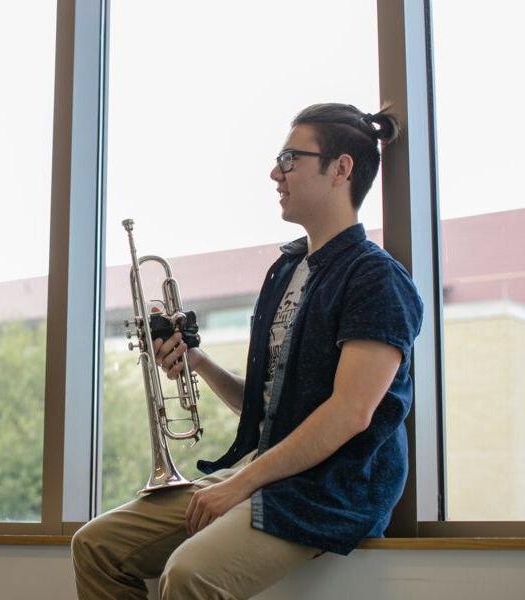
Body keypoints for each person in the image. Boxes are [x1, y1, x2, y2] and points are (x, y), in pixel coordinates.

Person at [71, 103, 424, 599]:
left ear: (341, 169)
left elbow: (350, 413)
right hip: (265, 471)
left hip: (328, 491)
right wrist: (198, 364)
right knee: (96, 546)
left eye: (289, 158)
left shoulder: (376, 279)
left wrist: (239, 485)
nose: (274, 172)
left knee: (190, 575)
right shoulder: (285, 271)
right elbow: (266, 407)